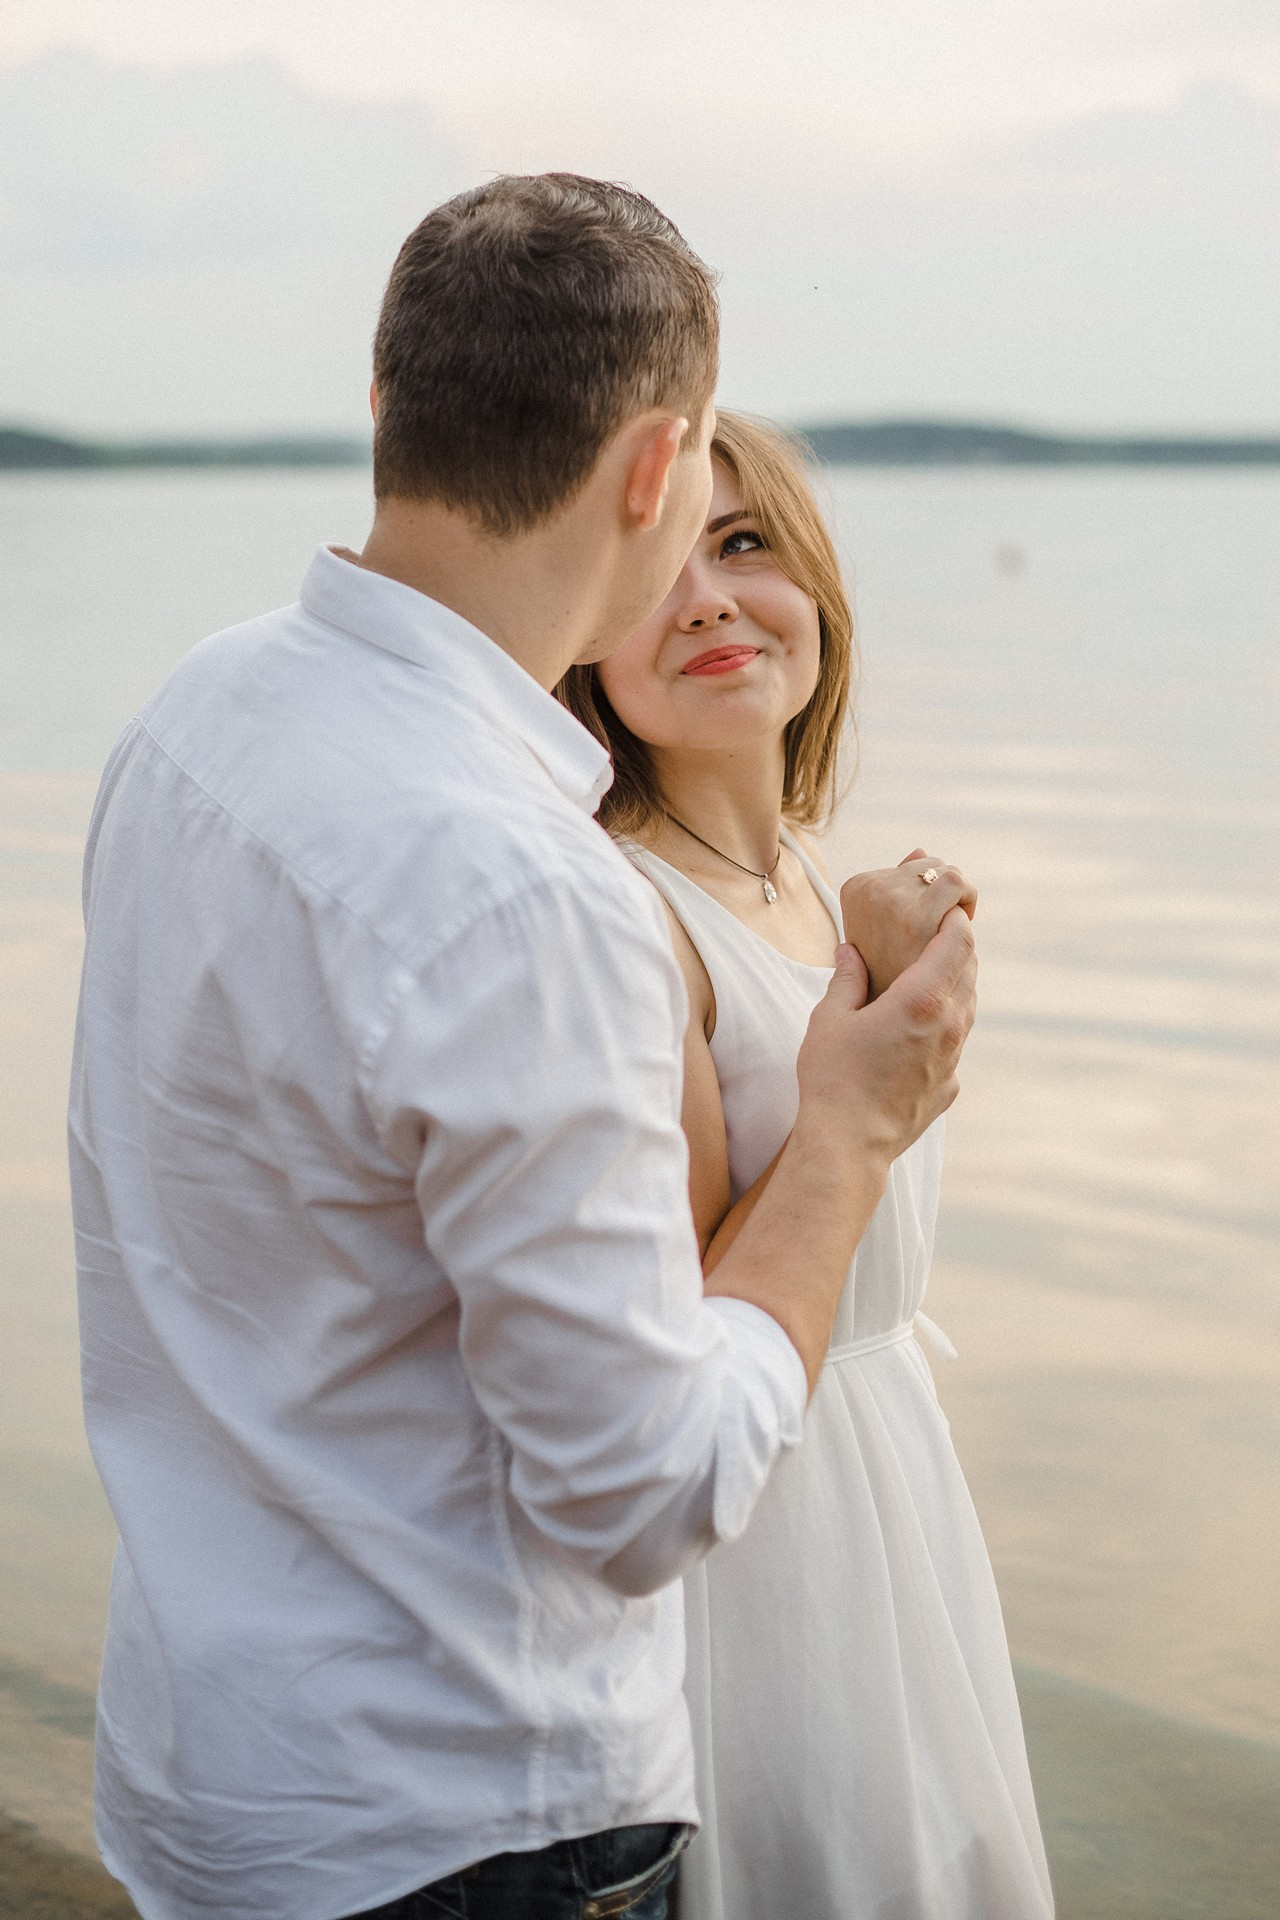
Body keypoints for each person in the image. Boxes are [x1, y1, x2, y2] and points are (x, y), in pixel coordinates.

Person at [69, 178, 975, 1920]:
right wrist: (852, 1133)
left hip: (216, 1765)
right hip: (463, 1815)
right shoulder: (523, 889)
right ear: (657, 469)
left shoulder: (199, 712)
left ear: (390, 412)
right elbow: (647, 1483)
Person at [558, 411, 1054, 1919]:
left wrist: (891, 978)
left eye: (747, 542)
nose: (706, 597)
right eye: (655, 570)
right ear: (579, 647)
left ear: (817, 586)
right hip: (756, 1519)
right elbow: (686, 1316)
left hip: (886, 1464)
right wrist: (859, 1084)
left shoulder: (813, 882)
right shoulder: (627, 916)